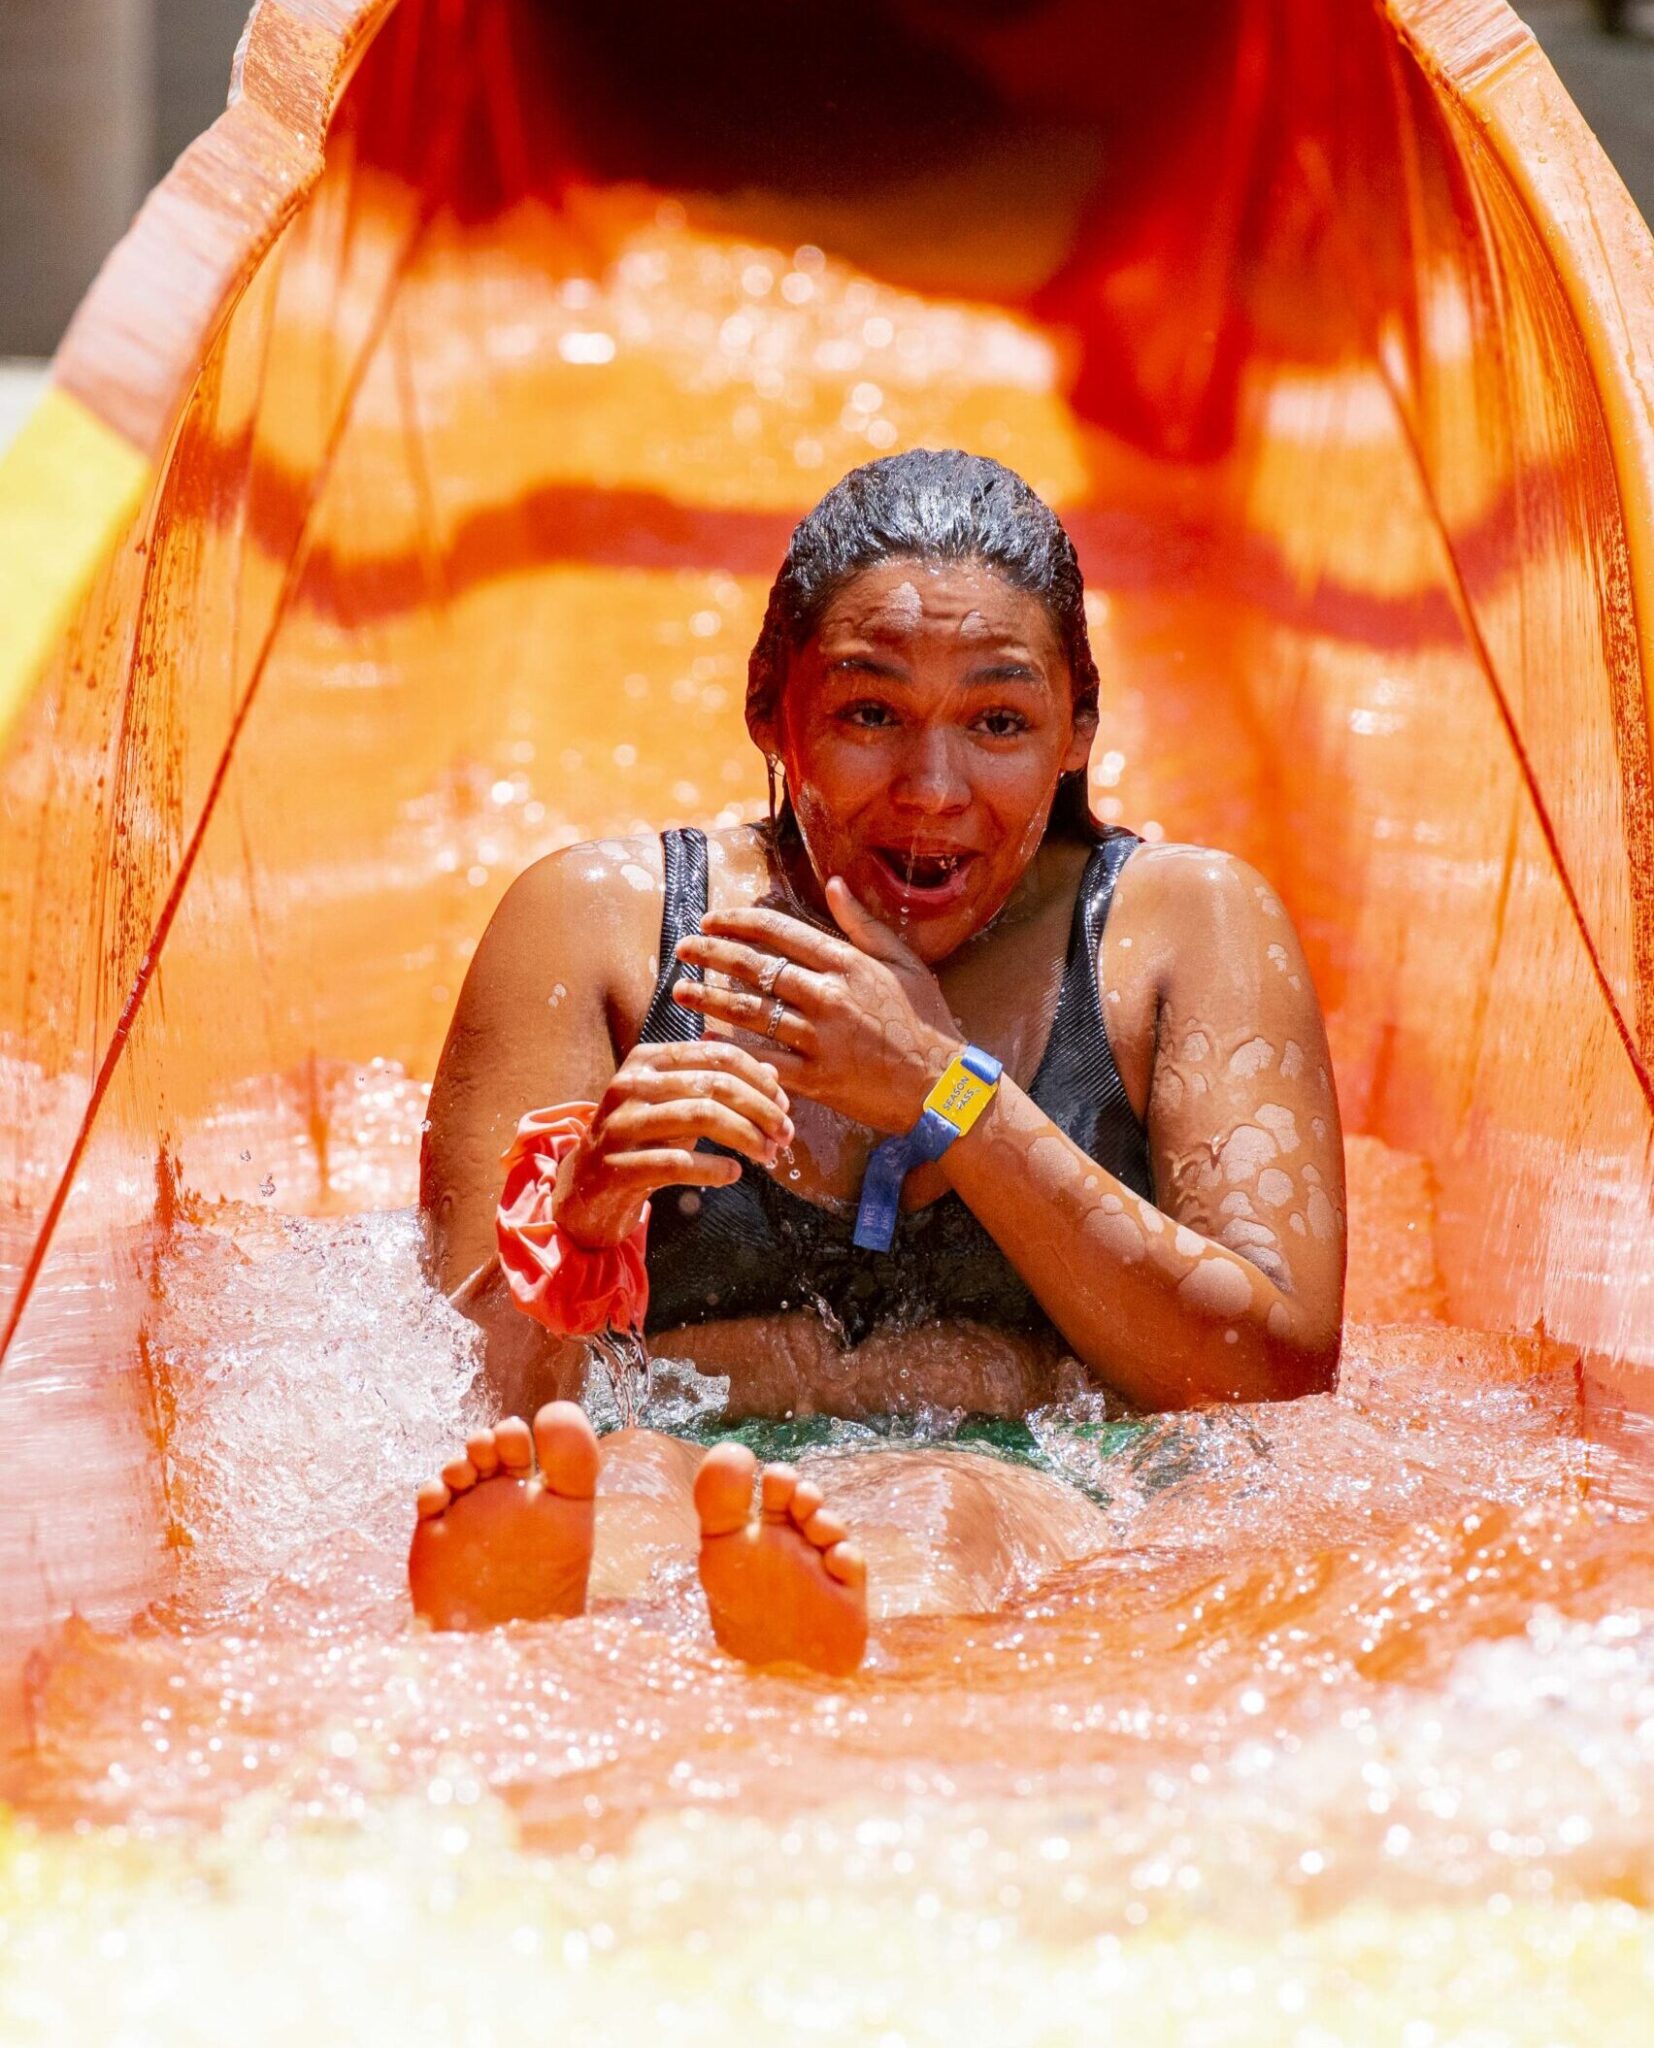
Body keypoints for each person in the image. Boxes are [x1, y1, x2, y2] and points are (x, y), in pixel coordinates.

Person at [411, 448, 1345, 1675]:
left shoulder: (1181, 931)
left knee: (944, 1517)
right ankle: (574, 1602)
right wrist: (575, 1233)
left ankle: (811, 1636)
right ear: (769, 708)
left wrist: (944, 1088)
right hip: (670, 1455)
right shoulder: (598, 929)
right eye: (869, 715)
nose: (933, 789)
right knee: (619, 1481)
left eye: (998, 722)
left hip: (1024, 1472)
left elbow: (1275, 1372)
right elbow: (457, 1391)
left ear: (1077, 728)